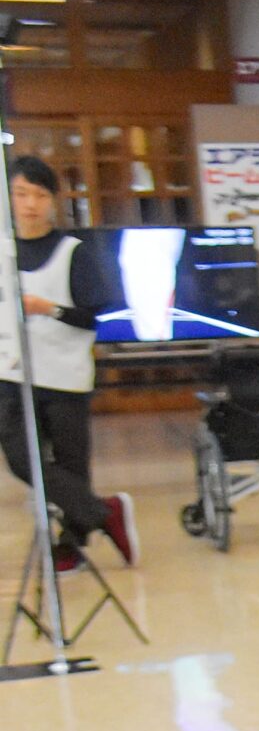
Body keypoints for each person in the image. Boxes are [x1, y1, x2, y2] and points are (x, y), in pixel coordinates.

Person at [0, 157, 135, 572]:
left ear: (52, 201)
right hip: (11, 372)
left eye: (40, 195)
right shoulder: (3, 248)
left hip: (64, 375)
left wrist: (48, 309)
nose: (29, 204)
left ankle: (70, 545)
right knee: (23, 460)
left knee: (72, 463)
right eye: (21, 193)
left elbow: (91, 315)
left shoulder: (72, 251)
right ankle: (104, 511)